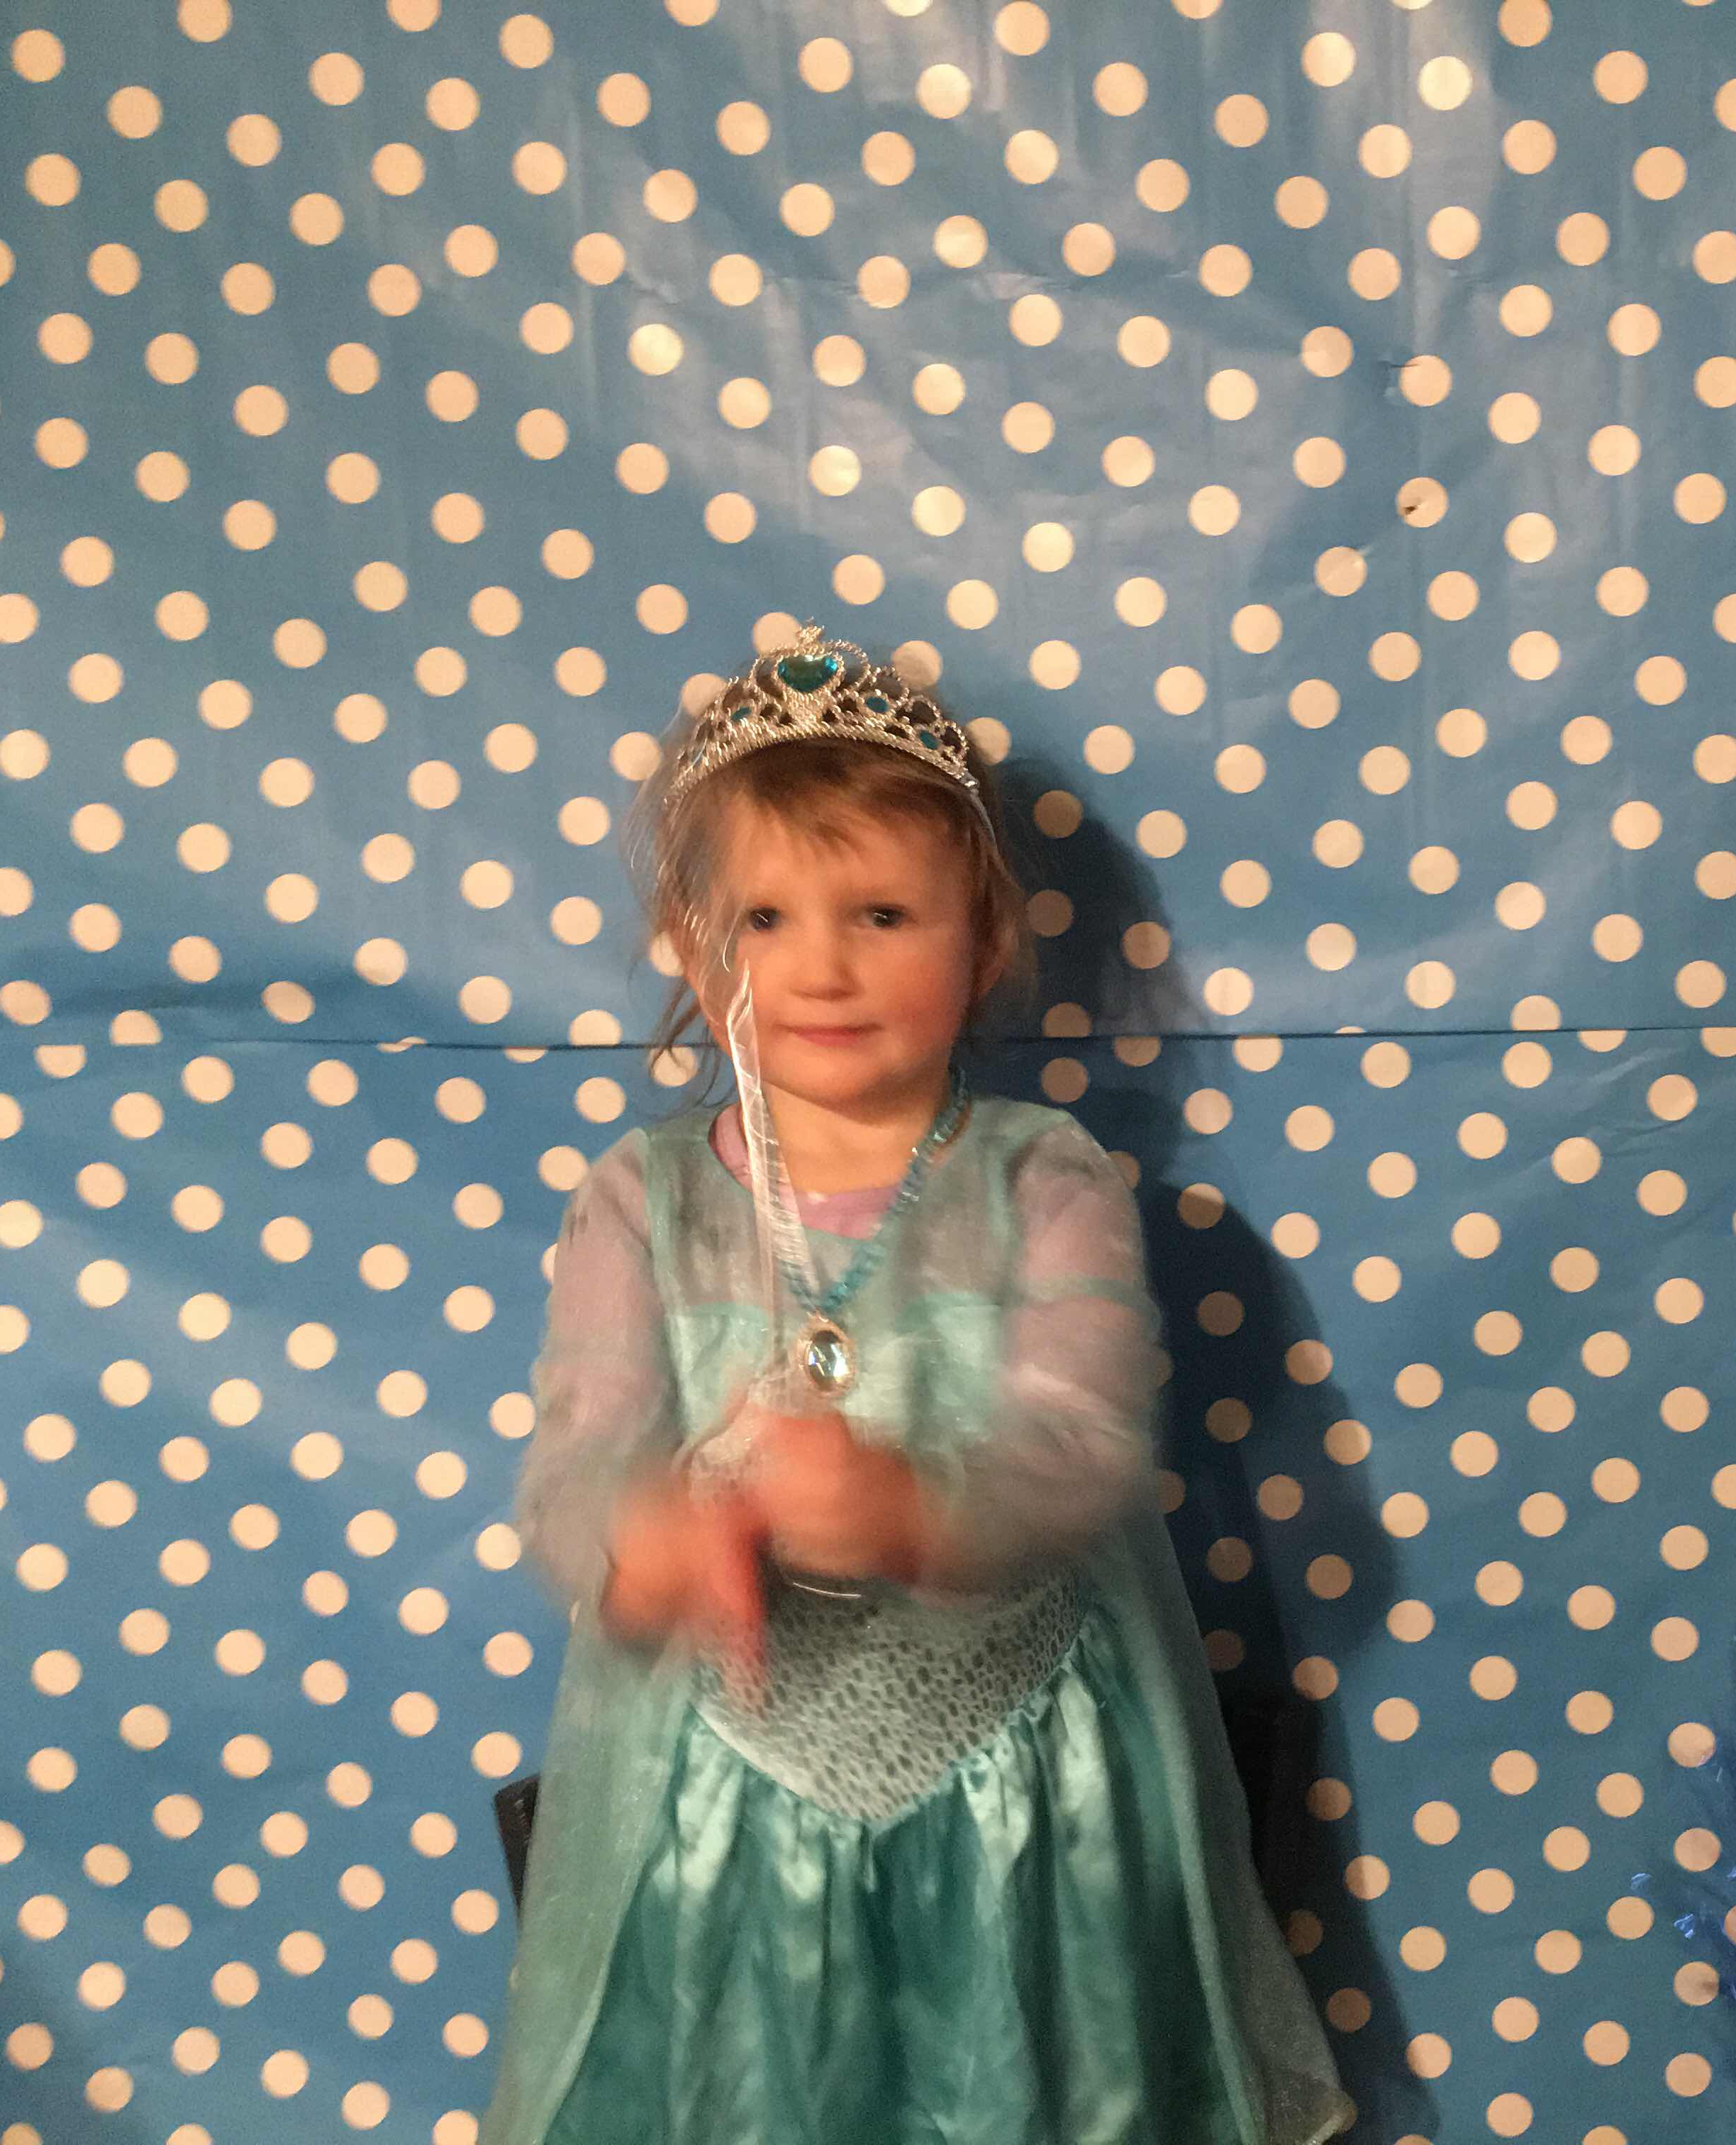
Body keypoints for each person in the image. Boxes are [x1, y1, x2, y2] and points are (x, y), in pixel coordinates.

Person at [482, 629, 1350, 2145]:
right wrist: (649, 1544)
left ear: (985, 938)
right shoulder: (642, 1200)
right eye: (765, 918)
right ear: (691, 944)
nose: (823, 966)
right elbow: (576, 1465)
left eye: (882, 914)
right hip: (721, 1813)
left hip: (1033, 1806)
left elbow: (1079, 1446)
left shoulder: (1046, 1180)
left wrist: (912, 1505)